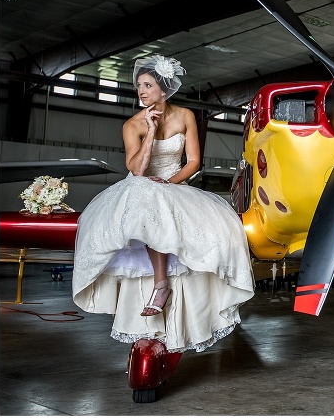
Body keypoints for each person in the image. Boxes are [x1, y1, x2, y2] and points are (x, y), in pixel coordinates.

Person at [73, 55, 255, 353]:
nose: (141, 91)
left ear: (164, 88)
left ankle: (197, 306)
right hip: (142, 186)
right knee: (148, 200)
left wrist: (170, 183)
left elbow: (193, 162)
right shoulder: (132, 124)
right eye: (139, 86)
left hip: (174, 183)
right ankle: (160, 285)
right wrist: (150, 131)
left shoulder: (185, 115)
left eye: (148, 85)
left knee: (225, 231)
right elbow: (137, 170)